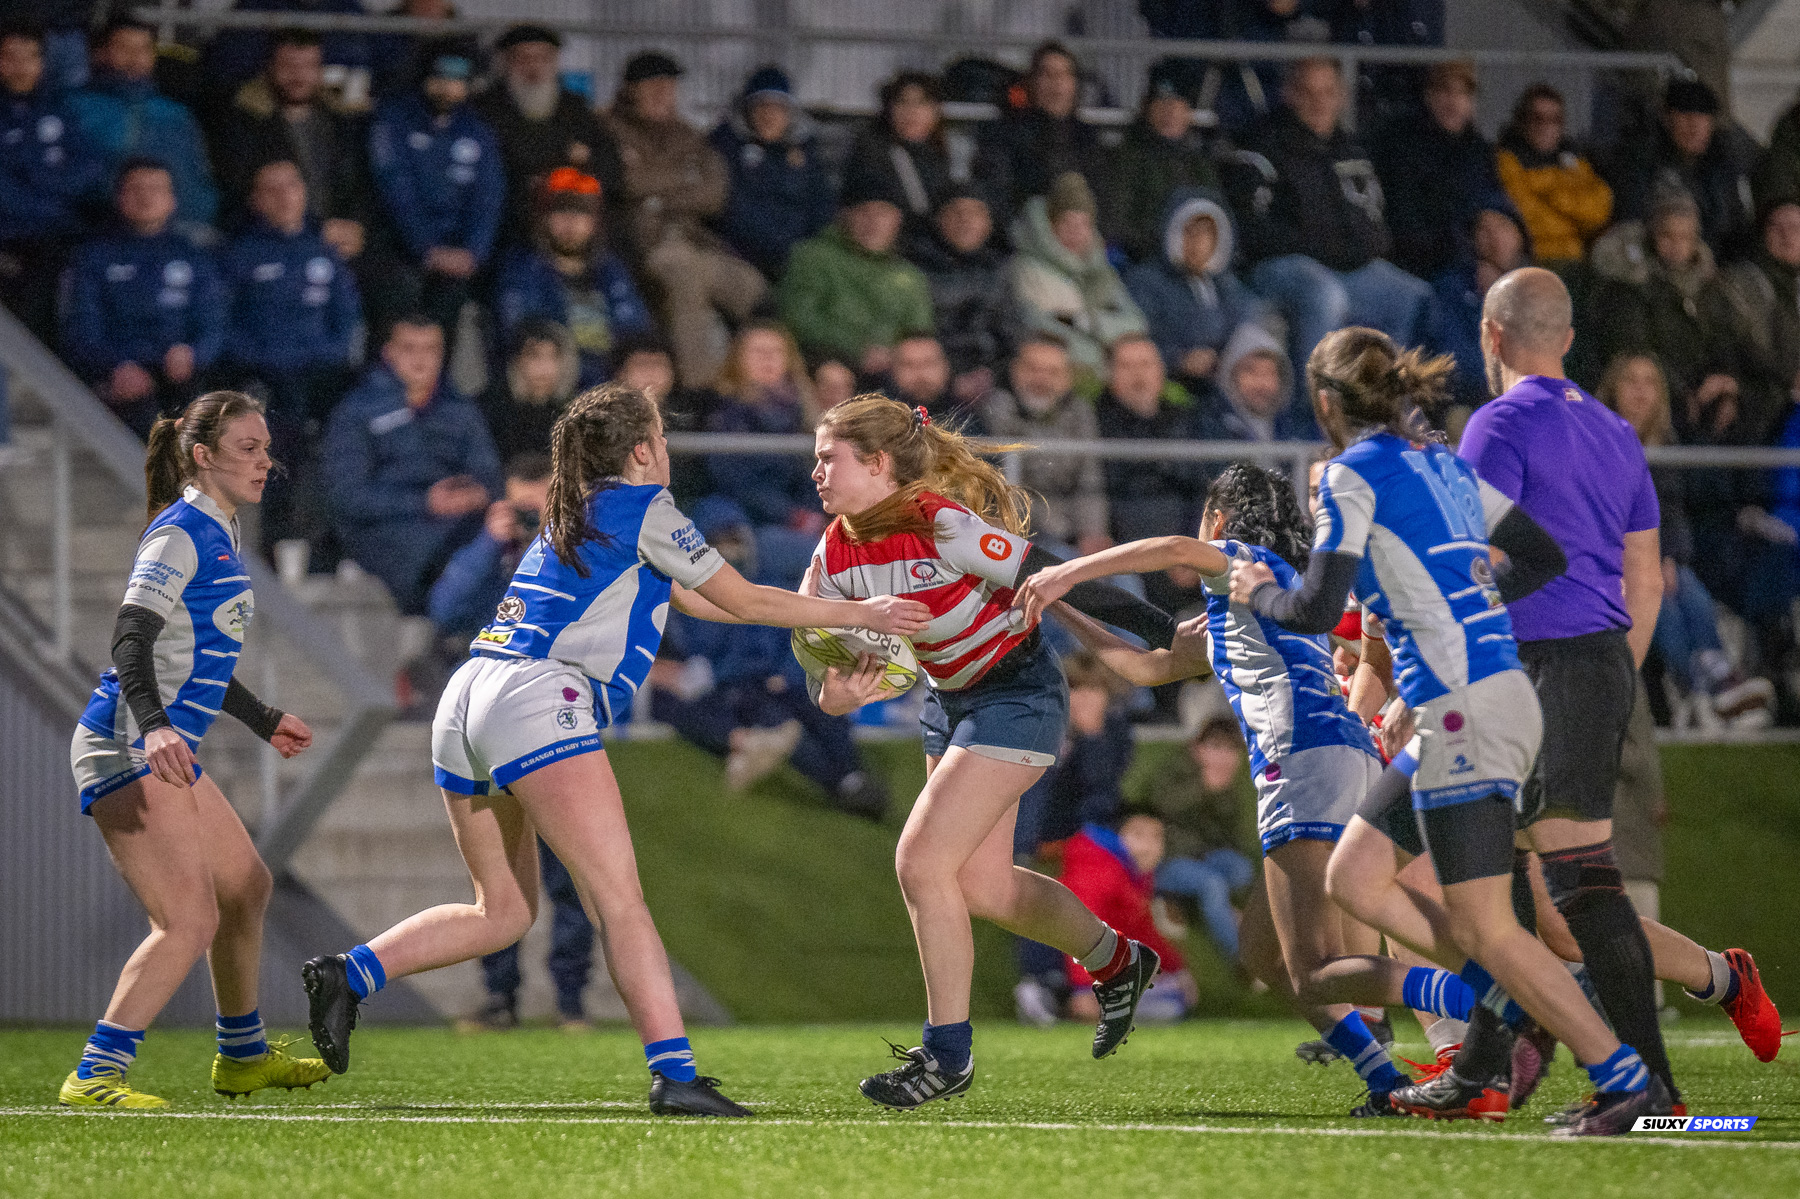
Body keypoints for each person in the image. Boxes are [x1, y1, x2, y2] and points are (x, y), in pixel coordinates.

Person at [302, 383, 935, 1117]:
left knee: (502, 912)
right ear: (641, 450)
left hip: (467, 695)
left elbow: (702, 598)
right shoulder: (645, 508)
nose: (667, 448)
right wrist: (864, 612)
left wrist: (825, 614)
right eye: (661, 436)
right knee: (620, 900)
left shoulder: (574, 511)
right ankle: (675, 1075)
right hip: (539, 697)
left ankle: (349, 973)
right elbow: (743, 599)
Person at [803, 394, 1206, 1108]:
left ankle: (945, 1054)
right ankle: (1118, 959)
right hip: (948, 703)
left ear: (878, 463)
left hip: (1017, 693)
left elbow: (1060, 576)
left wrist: (1164, 634)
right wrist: (834, 695)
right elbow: (818, 656)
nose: (816, 472)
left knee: (920, 862)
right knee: (982, 888)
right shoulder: (833, 552)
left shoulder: (944, 525)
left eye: (828, 458)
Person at [1451, 269, 1781, 1117]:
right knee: (1526, 890)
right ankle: (1493, 1066)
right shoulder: (1617, 432)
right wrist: (1615, 672)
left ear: (1492, 335)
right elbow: (1647, 574)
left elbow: (1472, 564)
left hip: (1536, 666)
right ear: (1567, 339)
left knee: (1568, 891)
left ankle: (1646, 1078)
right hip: (1591, 662)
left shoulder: (1496, 424)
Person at [1014, 461, 1422, 1116]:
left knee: (1313, 964)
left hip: (1305, 760)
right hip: (1344, 756)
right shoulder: (1265, 596)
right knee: (1269, 955)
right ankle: (1392, 1074)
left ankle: (1485, 1007)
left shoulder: (1241, 564)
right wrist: (1061, 608)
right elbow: (1145, 668)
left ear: (1219, 519)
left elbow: (1175, 549)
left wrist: (1065, 572)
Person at [62, 391, 328, 1110]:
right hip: (125, 743)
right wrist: (154, 726)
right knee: (187, 920)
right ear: (203, 455)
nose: (265, 461)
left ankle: (242, 1056)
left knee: (245, 886)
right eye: (248, 448)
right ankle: (94, 1074)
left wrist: (263, 717)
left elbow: (194, 653)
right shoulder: (179, 532)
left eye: (266, 448)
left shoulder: (220, 528)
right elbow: (131, 640)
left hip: (156, 744)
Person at [655, 496, 891, 819]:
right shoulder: (695, 599)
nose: (731, 547)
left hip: (778, 677)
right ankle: (841, 784)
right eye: (721, 539)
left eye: (734, 537)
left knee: (818, 704)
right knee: (779, 725)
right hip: (738, 687)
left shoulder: (767, 584)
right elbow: (707, 657)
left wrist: (785, 674)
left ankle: (852, 776)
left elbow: (792, 633)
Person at [1226, 58, 1433, 394]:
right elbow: (1251, 228)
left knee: (1413, 296)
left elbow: (1374, 220)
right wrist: (1318, 248)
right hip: (1279, 267)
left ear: (1341, 96)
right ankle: (1314, 409)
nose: (1318, 102)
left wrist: (1363, 247)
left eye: (1327, 92)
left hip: (1345, 266)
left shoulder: (1352, 151)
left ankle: (1385, 402)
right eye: (1307, 92)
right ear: (1289, 94)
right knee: (1325, 295)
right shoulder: (1262, 146)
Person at [1597, 354, 1773, 726]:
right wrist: (1651, 562)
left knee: (1688, 590)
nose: (1641, 391)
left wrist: (1669, 557)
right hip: (1614, 562)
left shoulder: (1667, 445)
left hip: (1656, 557)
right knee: (1656, 594)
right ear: (1614, 390)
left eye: (1649, 382)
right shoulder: (1599, 444)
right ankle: (1704, 691)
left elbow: (1672, 512)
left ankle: (1712, 685)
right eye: (1631, 381)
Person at [215, 158, 361, 544]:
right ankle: (278, 539)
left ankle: (334, 543)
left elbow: (346, 318)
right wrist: (265, 359)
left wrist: (326, 356)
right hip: (263, 374)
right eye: (272, 189)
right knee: (280, 430)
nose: (284, 197)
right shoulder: (238, 254)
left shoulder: (324, 252)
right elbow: (223, 325)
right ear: (256, 200)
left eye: (292, 186)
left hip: (320, 372)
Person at [603, 51, 765, 389]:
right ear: (631, 89)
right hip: (641, 243)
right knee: (684, 274)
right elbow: (628, 181)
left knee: (752, 286)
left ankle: (753, 387)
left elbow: (714, 193)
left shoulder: (687, 134)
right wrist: (684, 179)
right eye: (653, 87)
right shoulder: (608, 128)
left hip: (694, 241)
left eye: (669, 86)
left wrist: (656, 197)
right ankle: (698, 388)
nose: (663, 94)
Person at [321, 315, 502, 615]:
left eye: (430, 349)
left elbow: (489, 474)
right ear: (388, 352)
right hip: (388, 529)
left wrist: (476, 494)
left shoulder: (461, 410)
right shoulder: (356, 411)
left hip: (458, 522)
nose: (420, 359)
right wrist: (425, 502)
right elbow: (346, 495)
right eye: (409, 348)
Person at [61, 158, 224, 438]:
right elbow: (82, 328)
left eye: (156, 189)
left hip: (182, 375)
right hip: (118, 377)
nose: (146, 197)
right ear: (119, 197)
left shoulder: (194, 256)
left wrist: (193, 353)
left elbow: (214, 321)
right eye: (136, 189)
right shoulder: (93, 257)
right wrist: (115, 366)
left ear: (172, 200)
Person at [364, 42, 503, 351]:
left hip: (458, 258)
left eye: (457, 81)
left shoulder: (477, 129)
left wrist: (474, 251)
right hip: (400, 252)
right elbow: (396, 190)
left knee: (444, 338)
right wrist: (426, 248)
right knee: (394, 334)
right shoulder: (394, 119)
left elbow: (488, 196)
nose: (447, 88)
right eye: (440, 78)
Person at [210, 28, 372, 264]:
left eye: (308, 66)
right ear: (269, 67)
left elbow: (358, 184)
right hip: (268, 244)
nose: (299, 75)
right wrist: (314, 230)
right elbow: (240, 194)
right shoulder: (243, 124)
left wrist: (356, 226)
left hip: (341, 242)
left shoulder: (342, 123)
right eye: (288, 65)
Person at [494, 167, 655, 388]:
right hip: (556, 383)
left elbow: (636, 329)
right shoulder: (523, 268)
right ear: (543, 218)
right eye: (561, 212)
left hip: (610, 381)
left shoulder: (611, 269)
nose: (571, 222)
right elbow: (520, 331)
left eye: (581, 214)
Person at [471, 23, 624, 247]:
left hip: (572, 218)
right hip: (507, 223)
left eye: (543, 58)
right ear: (506, 63)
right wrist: (566, 158)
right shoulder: (484, 109)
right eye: (523, 58)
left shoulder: (574, 108)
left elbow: (609, 166)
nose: (534, 67)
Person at [0, 20, 105, 344]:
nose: (21, 66)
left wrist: (40, 177)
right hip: (11, 236)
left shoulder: (60, 109)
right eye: (10, 57)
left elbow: (90, 165)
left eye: (30, 57)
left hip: (60, 234)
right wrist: (50, 193)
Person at [779, 176, 934, 381]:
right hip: (825, 367)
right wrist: (857, 349)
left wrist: (893, 356)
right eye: (863, 212)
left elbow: (919, 334)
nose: (873, 223)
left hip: (894, 373)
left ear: (897, 219)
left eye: (883, 213)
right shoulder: (812, 258)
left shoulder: (910, 276)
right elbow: (798, 318)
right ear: (845, 216)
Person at [705, 323, 825, 584]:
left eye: (776, 351)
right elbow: (733, 481)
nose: (768, 359)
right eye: (757, 352)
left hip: (795, 517)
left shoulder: (804, 413)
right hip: (748, 518)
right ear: (737, 360)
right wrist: (792, 516)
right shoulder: (721, 412)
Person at [69, 17, 217, 228]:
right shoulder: (74, 107)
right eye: (124, 48)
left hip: (177, 228)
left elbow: (196, 177)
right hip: (97, 226)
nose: (135, 57)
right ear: (100, 53)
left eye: (143, 49)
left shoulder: (176, 113)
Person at [1132, 715, 1256, 966]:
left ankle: (1187, 905)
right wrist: (1204, 788)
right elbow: (1162, 805)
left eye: (1231, 749)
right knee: (1212, 885)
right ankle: (1243, 960)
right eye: (1216, 747)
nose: (1223, 757)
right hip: (1167, 860)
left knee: (1242, 870)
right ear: (1198, 748)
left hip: (1202, 856)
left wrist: (1220, 796)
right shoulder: (1177, 770)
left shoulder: (1226, 784)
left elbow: (1227, 836)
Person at [1007, 171, 1146, 386]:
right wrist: (1096, 349)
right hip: (1057, 373)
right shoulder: (1027, 270)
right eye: (1067, 224)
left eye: (1083, 224)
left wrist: (1086, 322)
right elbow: (1036, 324)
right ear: (1050, 225)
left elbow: (1136, 321)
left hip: (1107, 374)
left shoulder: (1100, 270)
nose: (1076, 232)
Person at [1370, 60, 1503, 282]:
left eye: (1462, 93)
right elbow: (1408, 219)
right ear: (1429, 96)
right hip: (1425, 261)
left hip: (1469, 254)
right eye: (1445, 91)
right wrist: (1468, 261)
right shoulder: (1404, 145)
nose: (1453, 102)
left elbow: (1492, 199)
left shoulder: (1478, 149)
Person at [979, 335, 1111, 556]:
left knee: (1121, 572)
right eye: (1032, 369)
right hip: (1014, 532)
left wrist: (1092, 533)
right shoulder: (993, 408)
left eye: (1053, 372)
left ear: (1068, 378)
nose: (1041, 379)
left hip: (1069, 532)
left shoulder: (1081, 413)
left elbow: (1089, 477)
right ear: (1015, 371)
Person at [1124, 189, 1267, 392]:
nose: (1198, 242)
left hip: (1220, 386)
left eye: (1207, 233)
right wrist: (1179, 360)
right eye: (1190, 232)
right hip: (1169, 387)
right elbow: (1134, 341)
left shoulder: (1224, 285)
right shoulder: (1145, 282)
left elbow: (1246, 329)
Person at [1061, 810, 1195, 1025]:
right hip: (1071, 976)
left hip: (1101, 972)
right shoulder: (1098, 868)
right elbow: (1077, 925)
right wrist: (1083, 988)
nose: (1148, 846)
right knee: (1170, 1004)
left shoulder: (1134, 873)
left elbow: (1142, 929)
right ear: (1118, 836)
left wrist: (1176, 968)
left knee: (1174, 994)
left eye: (1156, 837)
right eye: (1138, 835)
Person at [708, 65, 834, 280]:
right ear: (747, 110)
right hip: (739, 257)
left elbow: (821, 203)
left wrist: (809, 248)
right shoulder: (725, 147)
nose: (769, 115)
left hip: (799, 257)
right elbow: (728, 207)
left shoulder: (804, 151)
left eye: (778, 108)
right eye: (761, 106)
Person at [1610, 79, 1756, 261]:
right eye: (1686, 117)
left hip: (1713, 264)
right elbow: (1631, 223)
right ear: (1667, 118)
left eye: (1703, 118)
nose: (1695, 127)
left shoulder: (1723, 167)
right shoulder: (1642, 163)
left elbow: (1734, 227)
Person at [843, 71, 983, 252]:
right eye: (902, 102)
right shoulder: (871, 152)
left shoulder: (957, 150)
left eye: (921, 103)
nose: (911, 112)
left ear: (936, 110)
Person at [907, 184, 1019, 404]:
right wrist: (950, 377)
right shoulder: (914, 269)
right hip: (930, 380)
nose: (966, 221)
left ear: (989, 222)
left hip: (992, 382)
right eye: (956, 212)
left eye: (976, 213)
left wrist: (993, 375)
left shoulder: (1000, 271)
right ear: (939, 219)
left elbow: (1011, 334)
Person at [1094, 333, 1206, 551]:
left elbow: (1198, 490)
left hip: (1182, 547)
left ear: (1161, 371)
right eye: (1126, 366)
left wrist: (1196, 545)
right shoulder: (1094, 423)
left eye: (1146, 364)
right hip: (1119, 549)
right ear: (1109, 375)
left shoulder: (1183, 421)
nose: (1138, 375)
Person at [1103, 60, 1219, 265]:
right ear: (1147, 108)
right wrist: (1166, 245)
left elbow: (1216, 214)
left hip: (1200, 264)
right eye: (1162, 103)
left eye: (1177, 104)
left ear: (1188, 112)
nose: (1170, 112)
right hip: (1147, 262)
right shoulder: (1128, 157)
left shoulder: (1199, 162)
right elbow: (1118, 222)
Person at [1495, 84, 1613, 268]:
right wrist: (1575, 217)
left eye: (1555, 119)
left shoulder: (1572, 158)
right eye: (1537, 118)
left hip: (1576, 260)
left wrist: (1554, 195)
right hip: (1534, 259)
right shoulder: (1508, 159)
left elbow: (1600, 209)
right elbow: (1527, 218)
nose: (1546, 126)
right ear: (1522, 121)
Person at [982, 41, 1106, 217]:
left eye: (1064, 74)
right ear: (1032, 82)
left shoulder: (1088, 137)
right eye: (1047, 74)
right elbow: (1000, 194)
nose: (1056, 83)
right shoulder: (1005, 134)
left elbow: (1101, 196)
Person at [1429, 205, 1532, 408]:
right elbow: (1453, 357)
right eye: (1484, 230)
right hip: (1474, 401)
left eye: (1502, 226)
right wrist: (1481, 302)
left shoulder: (1539, 286)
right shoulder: (1453, 287)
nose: (1494, 239)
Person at [479, 318, 579, 460]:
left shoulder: (573, 416)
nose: (544, 368)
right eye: (534, 356)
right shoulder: (491, 411)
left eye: (553, 357)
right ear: (517, 361)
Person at [1199, 321, 1303, 442]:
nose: (1262, 384)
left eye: (1270, 373)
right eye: (1251, 371)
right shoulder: (1207, 430)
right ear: (1229, 375)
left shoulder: (1295, 430)